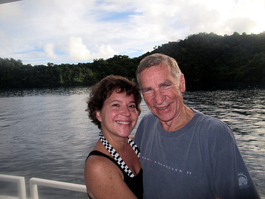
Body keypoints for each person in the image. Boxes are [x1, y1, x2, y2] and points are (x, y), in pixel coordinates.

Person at [134, 53, 260, 199]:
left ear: (181, 83)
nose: (159, 99)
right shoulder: (146, 124)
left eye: (165, 85)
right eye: (148, 90)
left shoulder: (214, 134)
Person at [84, 75, 143, 199]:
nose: (127, 113)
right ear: (98, 114)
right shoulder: (98, 166)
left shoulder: (137, 144)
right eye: (116, 105)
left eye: (131, 106)